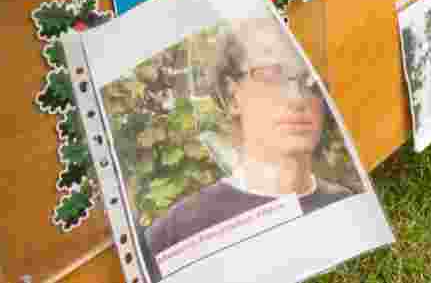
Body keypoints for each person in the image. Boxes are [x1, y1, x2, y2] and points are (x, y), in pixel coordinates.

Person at [143, 18, 354, 278]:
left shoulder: (343, 206)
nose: (298, 98)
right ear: (232, 96)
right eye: (272, 75)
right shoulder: (175, 233)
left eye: (308, 80)